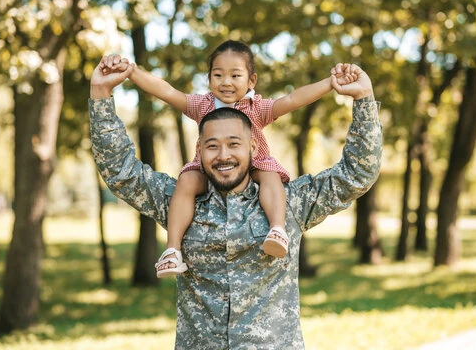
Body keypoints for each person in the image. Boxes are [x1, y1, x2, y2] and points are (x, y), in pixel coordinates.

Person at [89, 56, 382, 349]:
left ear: (253, 147)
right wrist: (101, 95)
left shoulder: (288, 202)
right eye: (212, 146)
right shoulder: (180, 203)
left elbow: (357, 173)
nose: (223, 155)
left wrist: (364, 100)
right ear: (199, 150)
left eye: (234, 144)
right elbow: (121, 172)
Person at [99, 40, 357, 278]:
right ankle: (173, 250)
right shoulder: (202, 105)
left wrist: (329, 84)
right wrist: (132, 71)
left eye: (236, 75)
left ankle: (277, 229)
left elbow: (292, 99)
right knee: (187, 181)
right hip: (209, 169)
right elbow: (166, 91)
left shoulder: (257, 108)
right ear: (209, 78)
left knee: (270, 177)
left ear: (251, 80)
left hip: (255, 165)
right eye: (218, 75)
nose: (226, 82)